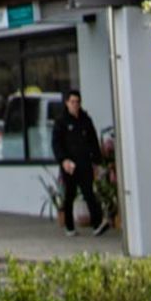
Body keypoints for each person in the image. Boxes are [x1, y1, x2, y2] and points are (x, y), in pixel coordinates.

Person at [51, 89, 108, 237]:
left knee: (89, 192)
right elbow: (56, 144)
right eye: (72, 102)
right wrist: (63, 160)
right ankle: (69, 226)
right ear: (67, 103)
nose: (75, 105)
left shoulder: (85, 120)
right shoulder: (61, 122)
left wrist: (96, 161)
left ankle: (97, 224)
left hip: (84, 163)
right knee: (70, 195)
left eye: (77, 102)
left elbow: (93, 141)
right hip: (69, 164)